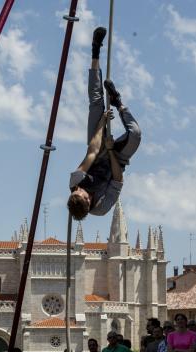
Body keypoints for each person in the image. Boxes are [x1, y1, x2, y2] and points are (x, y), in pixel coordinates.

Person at [67, 26, 141, 220]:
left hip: (98, 151)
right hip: (116, 160)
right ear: (88, 201)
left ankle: (95, 52)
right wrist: (111, 150)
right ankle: (119, 103)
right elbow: (118, 179)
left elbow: (91, 152)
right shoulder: (100, 207)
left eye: (75, 191)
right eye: (81, 193)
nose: (79, 189)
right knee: (135, 134)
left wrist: (102, 122)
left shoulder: (75, 181)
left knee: (96, 103)